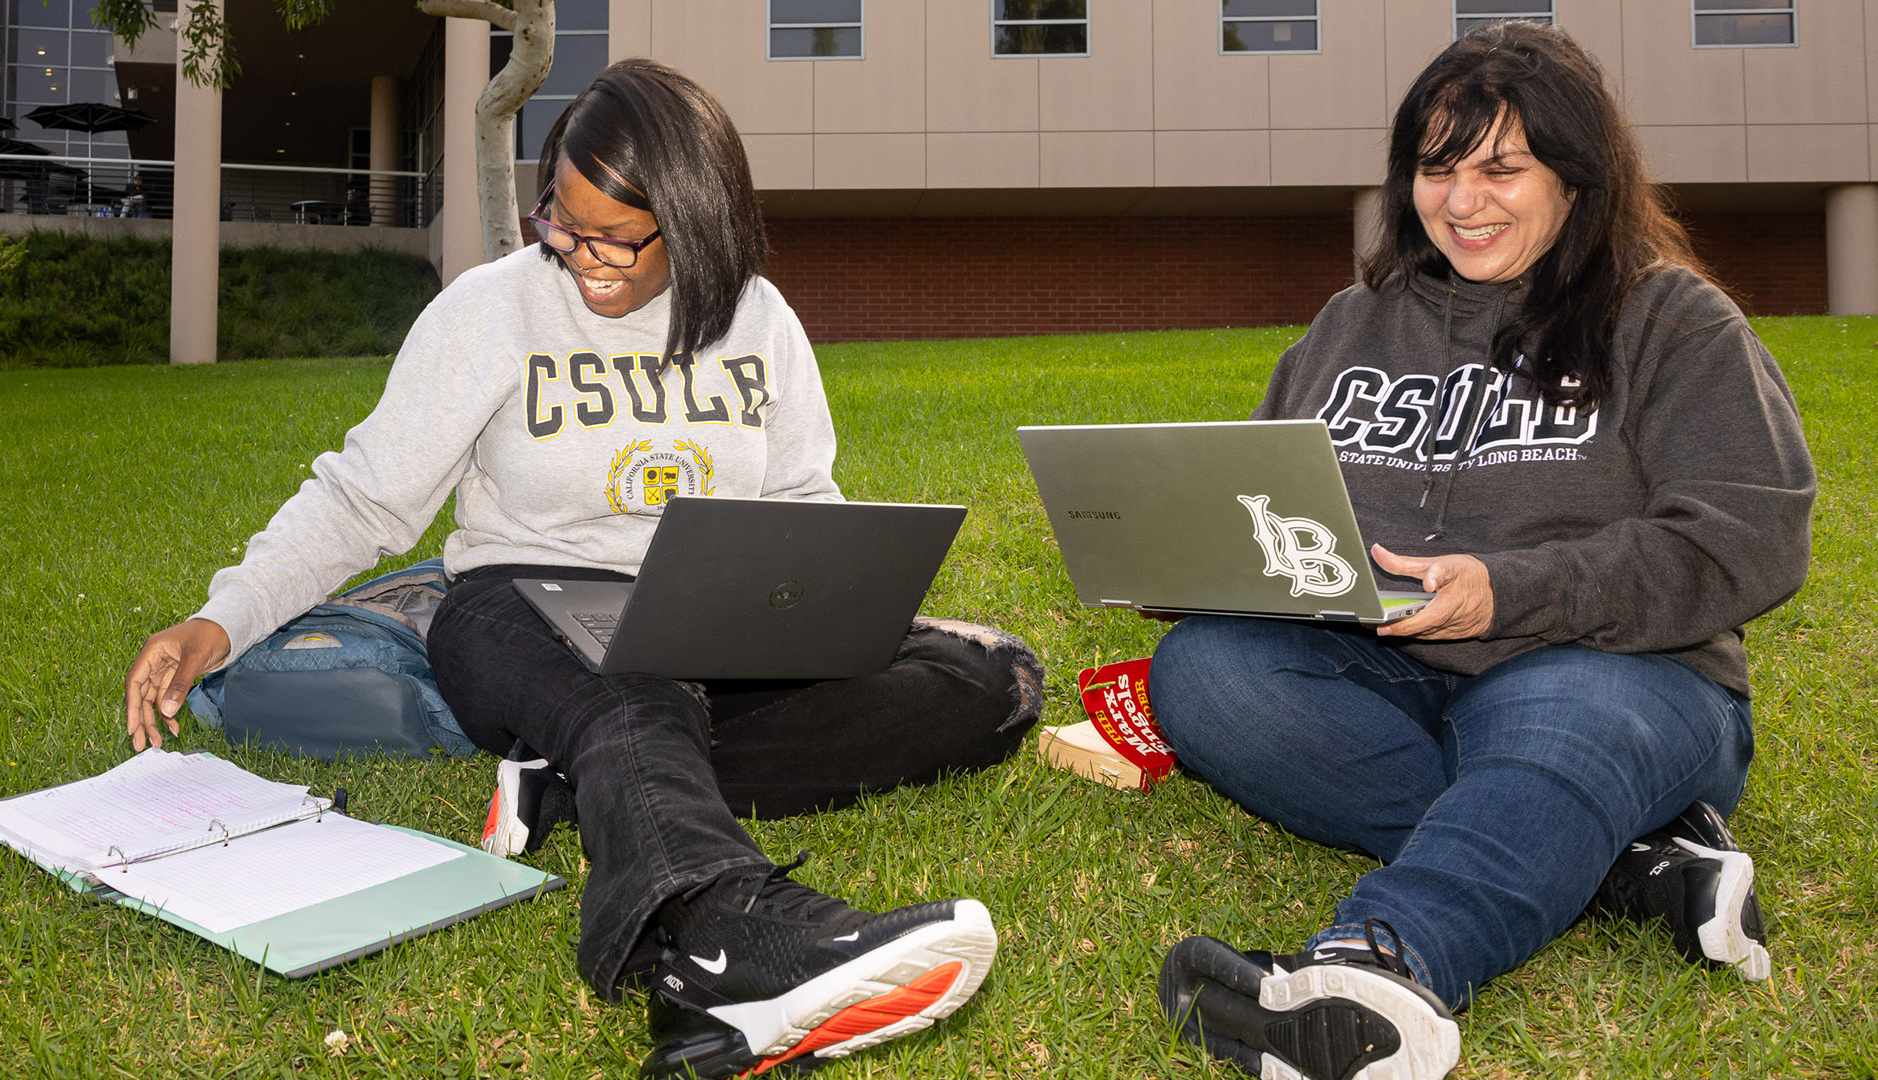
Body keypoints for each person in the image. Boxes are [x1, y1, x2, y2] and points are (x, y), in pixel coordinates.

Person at [122, 58, 1041, 1078]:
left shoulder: (760, 320)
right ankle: (715, 931)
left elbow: (800, 510)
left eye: (615, 237)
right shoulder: (490, 312)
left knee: (987, 681)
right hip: (519, 612)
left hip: (708, 629)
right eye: (559, 220)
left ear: (695, 222)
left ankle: (574, 789)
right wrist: (222, 618)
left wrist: (817, 613)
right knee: (629, 689)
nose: (578, 254)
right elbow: (362, 497)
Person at [1149, 23, 1813, 1080]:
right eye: (1435, 168)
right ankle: (1627, 862)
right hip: (1382, 669)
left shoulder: (1672, 320)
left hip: (1615, 676)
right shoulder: (1349, 325)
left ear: (1577, 179)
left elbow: (1750, 536)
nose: (1462, 202)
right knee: (1205, 673)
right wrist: (1209, 563)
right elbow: (1267, 497)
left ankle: (1381, 968)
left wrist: (1510, 591)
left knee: (1562, 726)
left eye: (1501, 168)